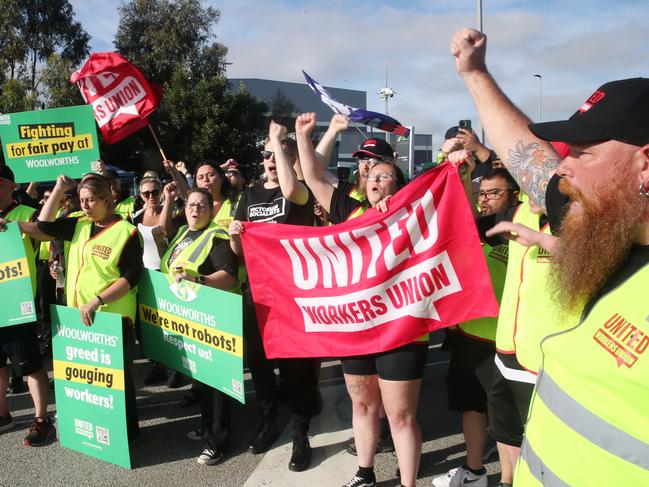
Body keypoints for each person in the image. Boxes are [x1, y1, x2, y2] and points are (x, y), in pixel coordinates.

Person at [452, 27, 649, 486]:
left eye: (583, 152)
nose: (562, 166)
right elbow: (527, 158)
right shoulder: (607, 229)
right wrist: (474, 73)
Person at [296, 112, 422, 487]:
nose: (374, 179)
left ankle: (407, 483)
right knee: (363, 405)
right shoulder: (350, 212)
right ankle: (365, 473)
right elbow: (313, 178)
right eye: (370, 175)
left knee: (400, 416)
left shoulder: (415, 213)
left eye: (385, 175)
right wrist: (305, 136)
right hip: (358, 326)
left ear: (398, 182)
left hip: (403, 328)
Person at [14, 172, 143, 444]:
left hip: (111, 318)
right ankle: (100, 434)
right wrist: (60, 188)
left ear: (106, 200)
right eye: (82, 200)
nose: (85, 205)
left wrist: (98, 300)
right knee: (90, 381)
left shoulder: (125, 232)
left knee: (118, 382)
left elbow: (131, 276)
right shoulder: (78, 224)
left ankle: (128, 436)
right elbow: (44, 225)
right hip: (79, 318)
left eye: (91, 200)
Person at [229, 120, 321, 473]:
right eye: (266, 155)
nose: (270, 159)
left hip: (291, 295)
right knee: (261, 366)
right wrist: (236, 233)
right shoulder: (248, 196)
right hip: (257, 295)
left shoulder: (297, 194)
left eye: (277, 155)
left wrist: (279, 143)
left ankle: (301, 432)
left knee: (296, 368)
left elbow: (291, 187)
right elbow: (238, 250)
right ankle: (267, 421)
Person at [433, 160, 520, 487]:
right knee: (471, 407)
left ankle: (509, 480)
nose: (484, 199)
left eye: (493, 193)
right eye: (481, 193)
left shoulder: (520, 226)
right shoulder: (476, 227)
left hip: (506, 340)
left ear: (513, 196)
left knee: (505, 420)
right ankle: (474, 472)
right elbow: (460, 215)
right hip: (470, 336)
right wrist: (462, 174)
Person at [158, 187, 239, 465]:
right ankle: (208, 427)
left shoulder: (217, 236)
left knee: (216, 382)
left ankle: (218, 442)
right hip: (189, 319)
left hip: (213, 320)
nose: (195, 210)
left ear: (211, 209)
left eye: (202, 206)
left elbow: (229, 277)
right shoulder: (182, 234)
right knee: (202, 378)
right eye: (191, 205)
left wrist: (199, 280)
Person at [0, 165, 55, 446]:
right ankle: (3, 415)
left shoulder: (25, 212)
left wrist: (15, 227)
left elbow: (46, 234)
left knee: (30, 366)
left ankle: (41, 418)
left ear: (12, 186)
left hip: (16, 307)